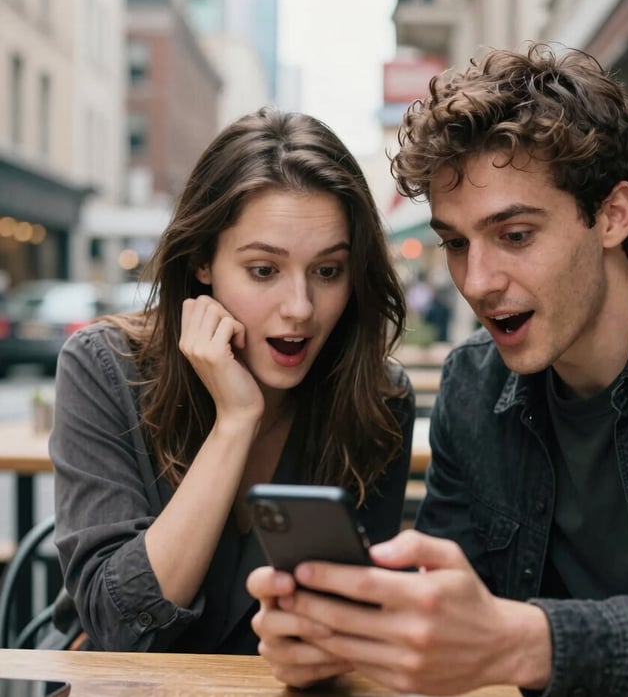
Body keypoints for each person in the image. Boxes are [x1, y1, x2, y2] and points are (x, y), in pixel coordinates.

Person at [247, 43, 628, 697]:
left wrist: (527, 643)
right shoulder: (474, 384)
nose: (479, 282)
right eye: (457, 243)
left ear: (613, 214)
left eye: (515, 235)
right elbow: (453, 601)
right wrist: (352, 637)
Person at [49, 107, 415, 653]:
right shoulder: (104, 367)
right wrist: (236, 421)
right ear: (202, 261)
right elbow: (119, 627)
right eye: (264, 270)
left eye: (328, 271)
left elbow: (357, 625)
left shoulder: (376, 399)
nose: (300, 309)